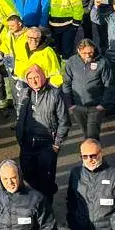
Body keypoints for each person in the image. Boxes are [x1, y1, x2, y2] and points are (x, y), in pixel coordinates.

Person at [16, 65, 70, 202]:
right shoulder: (23, 94)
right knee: (27, 177)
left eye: (36, 77)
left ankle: (47, 209)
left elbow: (64, 121)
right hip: (27, 144)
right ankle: (35, 204)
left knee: (46, 179)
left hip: (47, 145)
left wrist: (57, 144)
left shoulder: (55, 94)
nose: (34, 81)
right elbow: (19, 115)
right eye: (30, 78)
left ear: (43, 76)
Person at [62, 39, 110, 139]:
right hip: (77, 106)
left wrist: (103, 104)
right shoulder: (72, 61)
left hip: (95, 106)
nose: (88, 55)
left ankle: (94, 152)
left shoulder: (102, 62)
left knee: (92, 134)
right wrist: (70, 104)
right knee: (85, 132)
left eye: (90, 52)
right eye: (84, 53)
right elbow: (66, 83)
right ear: (78, 51)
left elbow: (108, 84)